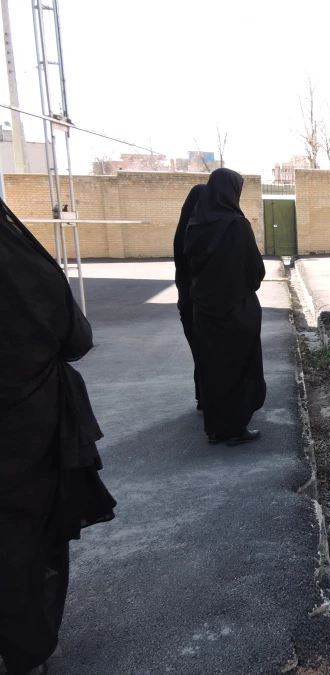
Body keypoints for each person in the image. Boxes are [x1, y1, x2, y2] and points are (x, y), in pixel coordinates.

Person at [0, 198, 116, 675]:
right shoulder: (16, 263)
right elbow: (75, 337)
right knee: (21, 538)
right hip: (23, 433)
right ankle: (26, 648)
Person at [184, 168, 266, 445]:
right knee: (238, 368)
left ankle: (215, 428)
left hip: (203, 312)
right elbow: (255, 271)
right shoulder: (237, 225)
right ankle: (235, 428)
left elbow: (189, 265)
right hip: (235, 312)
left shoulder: (195, 224)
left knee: (212, 368)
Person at [173, 184, 205, 411]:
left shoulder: (181, 232)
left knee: (199, 354)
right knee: (212, 355)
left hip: (186, 301)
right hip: (205, 304)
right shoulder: (201, 234)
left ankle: (202, 397)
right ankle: (210, 400)